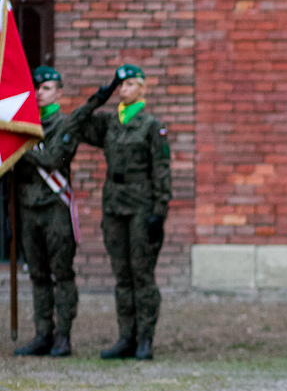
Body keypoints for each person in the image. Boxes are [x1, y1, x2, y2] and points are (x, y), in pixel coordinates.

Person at [69, 64, 171, 360]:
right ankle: (126, 337)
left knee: (142, 275)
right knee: (122, 275)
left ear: (142, 88)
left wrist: (159, 212)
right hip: (114, 204)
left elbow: (162, 170)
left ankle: (145, 339)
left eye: (128, 84)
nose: (122, 90)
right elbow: (74, 125)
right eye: (120, 85)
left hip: (141, 205)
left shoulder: (151, 125)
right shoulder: (109, 123)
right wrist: (100, 96)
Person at [12, 66, 79, 357]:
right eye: (37, 88)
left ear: (59, 92)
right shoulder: (24, 123)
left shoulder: (65, 124)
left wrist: (22, 147)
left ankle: (62, 336)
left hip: (54, 209)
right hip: (29, 207)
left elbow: (53, 159)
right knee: (38, 275)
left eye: (47, 88)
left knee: (61, 273)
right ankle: (42, 334)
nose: (40, 92)